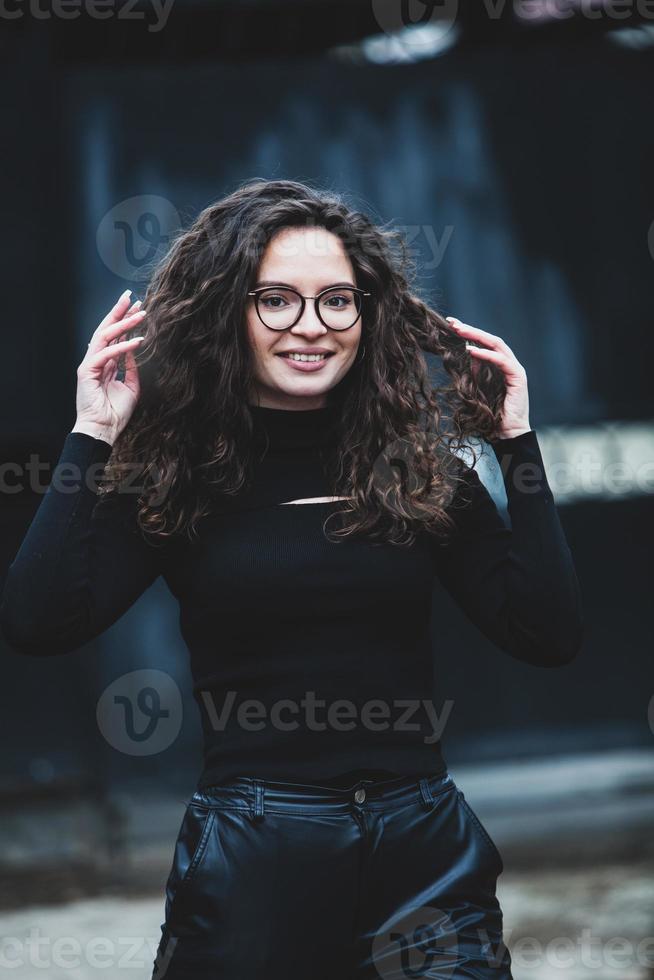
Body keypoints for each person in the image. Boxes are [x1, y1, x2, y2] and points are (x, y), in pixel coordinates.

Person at [0, 178, 583, 979]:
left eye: (336, 301)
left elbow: (548, 635)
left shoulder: (423, 473)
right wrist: (91, 432)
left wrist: (517, 443)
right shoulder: (176, 477)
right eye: (275, 300)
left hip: (425, 856)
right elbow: (38, 621)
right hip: (254, 860)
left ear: (366, 314)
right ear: (226, 315)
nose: (311, 327)